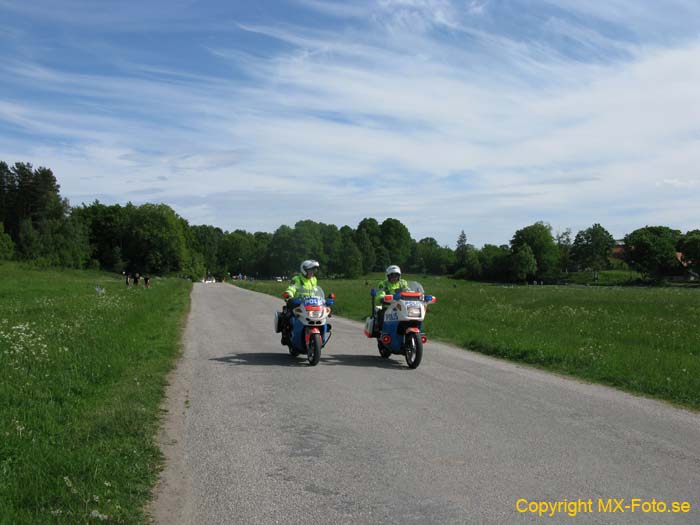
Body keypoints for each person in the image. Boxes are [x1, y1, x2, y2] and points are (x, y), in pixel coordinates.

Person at [280, 259, 320, 344]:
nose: (313, 272)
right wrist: (288, 295)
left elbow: (316, 291)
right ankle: (285, 336)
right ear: (304, 270)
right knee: (287, 317)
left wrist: (321, 300)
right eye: (311, 270)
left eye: (314, 270)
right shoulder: (297, 279)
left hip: (311, 305)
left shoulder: (314, 280)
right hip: (298, 305)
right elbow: (291, 288)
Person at [374, 265, 408, 334]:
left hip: (402, 306)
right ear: (388, 276)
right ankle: (382, 332)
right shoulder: (383, 284)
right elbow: (380, 293)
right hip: (389, 306)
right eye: (392, 275)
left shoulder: (403, 283)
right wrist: (382, 298)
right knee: (382, 314)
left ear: (399, 276)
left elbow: (408, 291)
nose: (394, 277)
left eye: (396, 275)